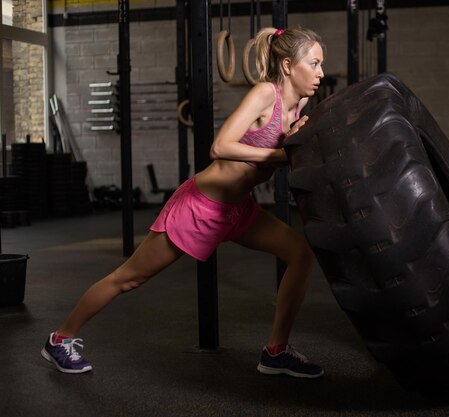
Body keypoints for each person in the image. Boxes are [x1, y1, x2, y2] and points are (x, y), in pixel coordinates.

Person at [41, 26, 325, 379]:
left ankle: (276, 351)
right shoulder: (266, 94)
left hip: (237, 210)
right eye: (313, 64)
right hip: (200, 207)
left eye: (320, 65)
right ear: (287, 65)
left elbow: (286, 156)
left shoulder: (300, 105)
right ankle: (60, 338)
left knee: (300, 253)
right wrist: (281, 154)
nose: (320, 73)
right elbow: (219, 147)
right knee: (128, 278)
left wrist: (296, 145)